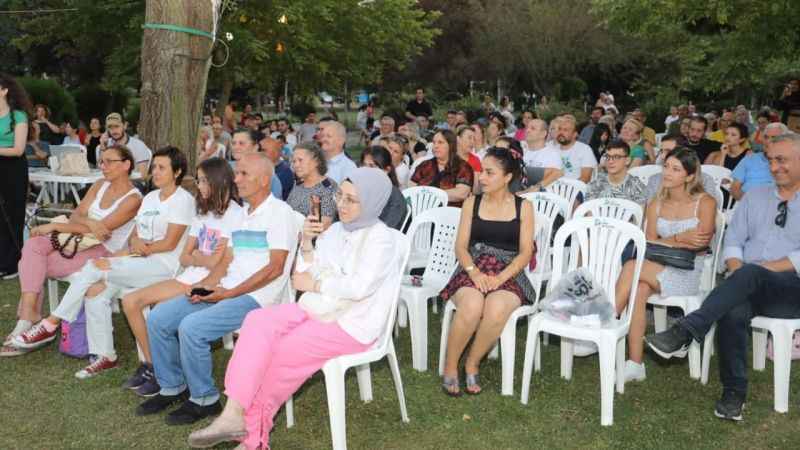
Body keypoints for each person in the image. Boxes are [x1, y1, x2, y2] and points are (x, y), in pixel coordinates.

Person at [186, 168, 404, 450]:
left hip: (353, 324)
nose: (342, 204)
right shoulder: (336, 230)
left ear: (373, 203)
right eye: (340, 195)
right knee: (257, 321)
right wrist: (308, 243)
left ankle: (253, 439)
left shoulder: (381, 238)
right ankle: (232, 413)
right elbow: (302, 274)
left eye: (352, 200)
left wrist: (317, 283)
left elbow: (357, 288)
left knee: (284, 350)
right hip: (318, 308)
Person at [645, 133, 800, 421]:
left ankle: (686, 331)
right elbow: (733, 241)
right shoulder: (755, 197)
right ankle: (734, 393)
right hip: (747, 282)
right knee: (733, 308)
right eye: (771, 161)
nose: (775, 167)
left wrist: (750, 273)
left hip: (791, 290)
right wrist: (738, 269)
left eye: (782, 160)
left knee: (749, 275)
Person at [137, 152, 296, 426]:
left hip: (257, 297)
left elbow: (275, 268)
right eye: (238, 173)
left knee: (192, 328)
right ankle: (172, 386)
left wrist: (229, 293)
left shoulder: (280, 213)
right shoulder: (245, 213)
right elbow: (228, 260)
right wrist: (208, 285)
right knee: (159, 318)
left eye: (245, 174)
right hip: (227, 288)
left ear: (265, 180)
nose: (237, 178)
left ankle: (204, 399)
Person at [13, 147, 194, 378]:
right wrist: (134, 246)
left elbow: (169, 244)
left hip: (164, 267)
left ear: (177, 172)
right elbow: (136, 235)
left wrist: (141, 248)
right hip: (138, 261)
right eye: (154, 167)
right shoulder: (150, 198)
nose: (155, 172)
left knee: (93, 269)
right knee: (95, 289)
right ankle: (105, 356)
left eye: (162, 168)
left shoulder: (182, 200)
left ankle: (51, 322)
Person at [2, 145, 141, 356]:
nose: (103, 166)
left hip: (103, 249)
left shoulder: (133, 198)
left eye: (109, 161)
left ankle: (27, 321)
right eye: (101, 161)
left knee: (35, 262)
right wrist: (91, 223)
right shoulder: (99, 185)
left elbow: (104, 231)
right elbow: (77, 216)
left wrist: (55, 226)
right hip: (76, 239)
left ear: (126, 165)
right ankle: (28, 316)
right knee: (33, 245)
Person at [119, 158, 241, 395]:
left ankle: (161, 370)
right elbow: (185, 257)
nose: (200, 185)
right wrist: (199, 257)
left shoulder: (235, 214)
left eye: (204, 180)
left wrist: (197, 256)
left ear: (220, 180)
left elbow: (218, 262)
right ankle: (155, 366)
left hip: (210, 281)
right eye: (198, 180)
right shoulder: (202, 213)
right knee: (130, 301)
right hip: (188, 275)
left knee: (152, 309)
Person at [439, 147, 535, 395]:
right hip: (474, 265)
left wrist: (500, 278)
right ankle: (450, 367)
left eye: (489, 173)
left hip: (508, 270)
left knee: (495, 308)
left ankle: (472, 362)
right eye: (482, 171)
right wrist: (475, 273)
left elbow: (525, 252)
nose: (481, 177)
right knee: (471, 306)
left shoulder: (523, 207)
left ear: (507, 177)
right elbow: (460, 246)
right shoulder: (472, 202)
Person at [615, 147, 716, 382]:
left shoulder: (705, 202)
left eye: (675, 169)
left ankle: (606, 320)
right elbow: (648, 242)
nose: (667, 173)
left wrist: (668, 242)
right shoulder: (656, 203)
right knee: (638, 289)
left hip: (688, 271)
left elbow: (700, 244)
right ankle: (635, 363)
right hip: (657, 265)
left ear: (690, 176)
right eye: (666, 167)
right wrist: (680, 239)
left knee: (631, 267)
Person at [0, 73, 31, 279]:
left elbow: (18, 149)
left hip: (13, 168)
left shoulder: (19, 116)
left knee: (12, 213)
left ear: (4, 91)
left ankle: (12, 263)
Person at [408, 129, 474, 207]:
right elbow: (411, 189)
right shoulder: (424, 165)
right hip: (422, 210)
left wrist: (430, 194)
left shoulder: (463, 167)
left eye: (440, 142)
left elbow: (461, 194)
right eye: (434, 142)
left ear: (451, 145)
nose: (435, 146)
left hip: (450, 213)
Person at [287, 141, 338, 229]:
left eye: (300, 160)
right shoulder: (298, 185)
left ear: (316, 161)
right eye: (294, 161)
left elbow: (324, 225)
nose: (296, 165)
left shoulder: (328, 187)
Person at [730, 123, 786, 201]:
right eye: (766, 137)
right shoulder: (750, 159)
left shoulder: (789, 163)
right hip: (746, 204)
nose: (768, 141)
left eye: (774, 138)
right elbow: (734, 188)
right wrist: (748, 205)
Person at [585, 140, 647, 209]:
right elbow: (588, 212)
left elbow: (639, 216)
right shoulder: (596, 183)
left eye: (617, 157)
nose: (611, 161)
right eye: (607, 156)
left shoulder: (637, 187)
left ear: (627, 160)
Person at [361, 146, 408, 230]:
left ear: (386, 170)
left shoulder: (395, 199)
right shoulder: (357, 191)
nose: (366, 170)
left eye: (372, 166)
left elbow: (384, 230)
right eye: (364, 165)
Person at [229, 128, 282, 199]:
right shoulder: (225, 167)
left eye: (241, 143)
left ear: (255, 147)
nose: (236, 147)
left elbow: (273, 206)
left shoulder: (268, 176)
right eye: (233, 143)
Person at [519, 118, 562, 191]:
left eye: (533, 128)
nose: (527, 130)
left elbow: (556, 176)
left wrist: (532, 189)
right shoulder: (520, 150)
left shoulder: (552, 155)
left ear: (543, 134)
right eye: (527, 128)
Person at [553, 115, 597, 183]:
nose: (561, 132)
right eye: (559, 129)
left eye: (565, 130)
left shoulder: (585, 150)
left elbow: (585, 178)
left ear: (575, 134)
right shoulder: (552, 149)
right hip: (553, 189)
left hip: (576, 190)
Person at [259, 135, 294, 200]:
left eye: (263, 150)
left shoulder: (284, 173)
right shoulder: (264, 169)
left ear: (275, 152)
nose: (260, 153)